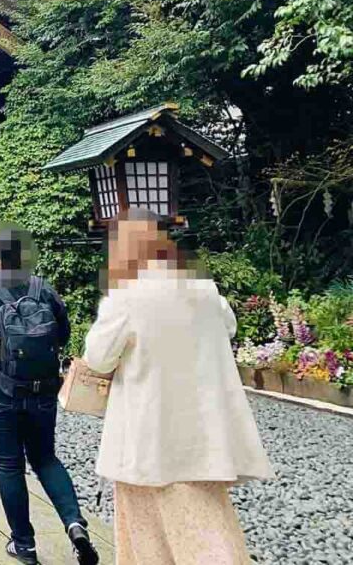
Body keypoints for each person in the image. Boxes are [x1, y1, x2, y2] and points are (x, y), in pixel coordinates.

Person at [84, 209, 272, 564]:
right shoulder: (204, 289)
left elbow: (98, 358)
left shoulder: (126, 296)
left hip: (146, 436)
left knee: (146, 535)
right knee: (207, 524)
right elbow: (228, 327)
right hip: (203, 431)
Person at [0, 225, 99, 565]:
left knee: (10, 464)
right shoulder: (41, 288)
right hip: (43, 389)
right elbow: (62, 333)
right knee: (46, 457)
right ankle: (75, 524)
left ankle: (25, 545)